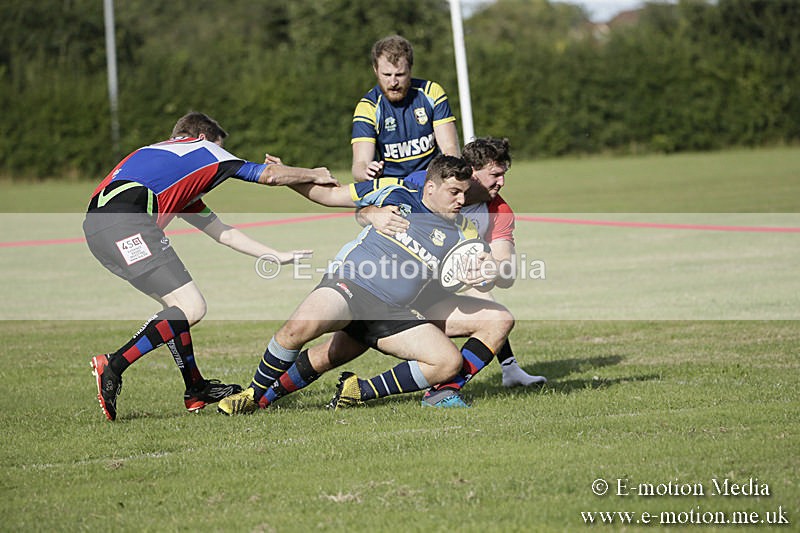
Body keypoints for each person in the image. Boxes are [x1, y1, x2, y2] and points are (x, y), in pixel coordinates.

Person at [84, 111, 338, 421]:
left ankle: (195, 389)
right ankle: (112, 365)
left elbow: (222, 232)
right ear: (203, 138)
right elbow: (269, 176)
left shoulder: (166, 165)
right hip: (127, 224)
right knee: (192, 308)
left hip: (98, 231)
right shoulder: (204, 150)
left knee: (175, 312)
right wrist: (313, 172)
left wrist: (274, 254)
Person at [217, 155, 515, 415]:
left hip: (395, 312)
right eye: (454, 193)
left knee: (447, 362)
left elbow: (481, 269)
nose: (461, 201)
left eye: (464, 193)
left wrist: (487, 273)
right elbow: (334, 197)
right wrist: (367, 212)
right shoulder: (396, 192)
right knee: (300, 328)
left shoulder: (462, 230)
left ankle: (358, 391)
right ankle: (253, 396)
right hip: (351, 287)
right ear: (431, 188)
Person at [330, 137, 546, 409]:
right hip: (387, 286)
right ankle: (264, 394)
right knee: (333, 352)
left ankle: (445, 390)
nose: (501, 183)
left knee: (498, 317)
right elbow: (367, 208)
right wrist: (372, 213)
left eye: (504, 175)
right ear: (471, 172)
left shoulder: (498, 210)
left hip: (437, 293)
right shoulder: (428, 181)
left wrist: (493, 268)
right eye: (495, 175)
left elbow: (506, 270)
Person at [351, 35, 460, 182]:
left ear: (410, 69)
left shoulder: (431, 92)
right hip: (390, 187)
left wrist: (440, 177)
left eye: (400, 74)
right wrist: (366, 172)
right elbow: (359, 164)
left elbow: (450, 149)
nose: (393, 82)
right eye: (387, 74)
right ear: (375, 70)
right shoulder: (368, 107)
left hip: (431, 181)